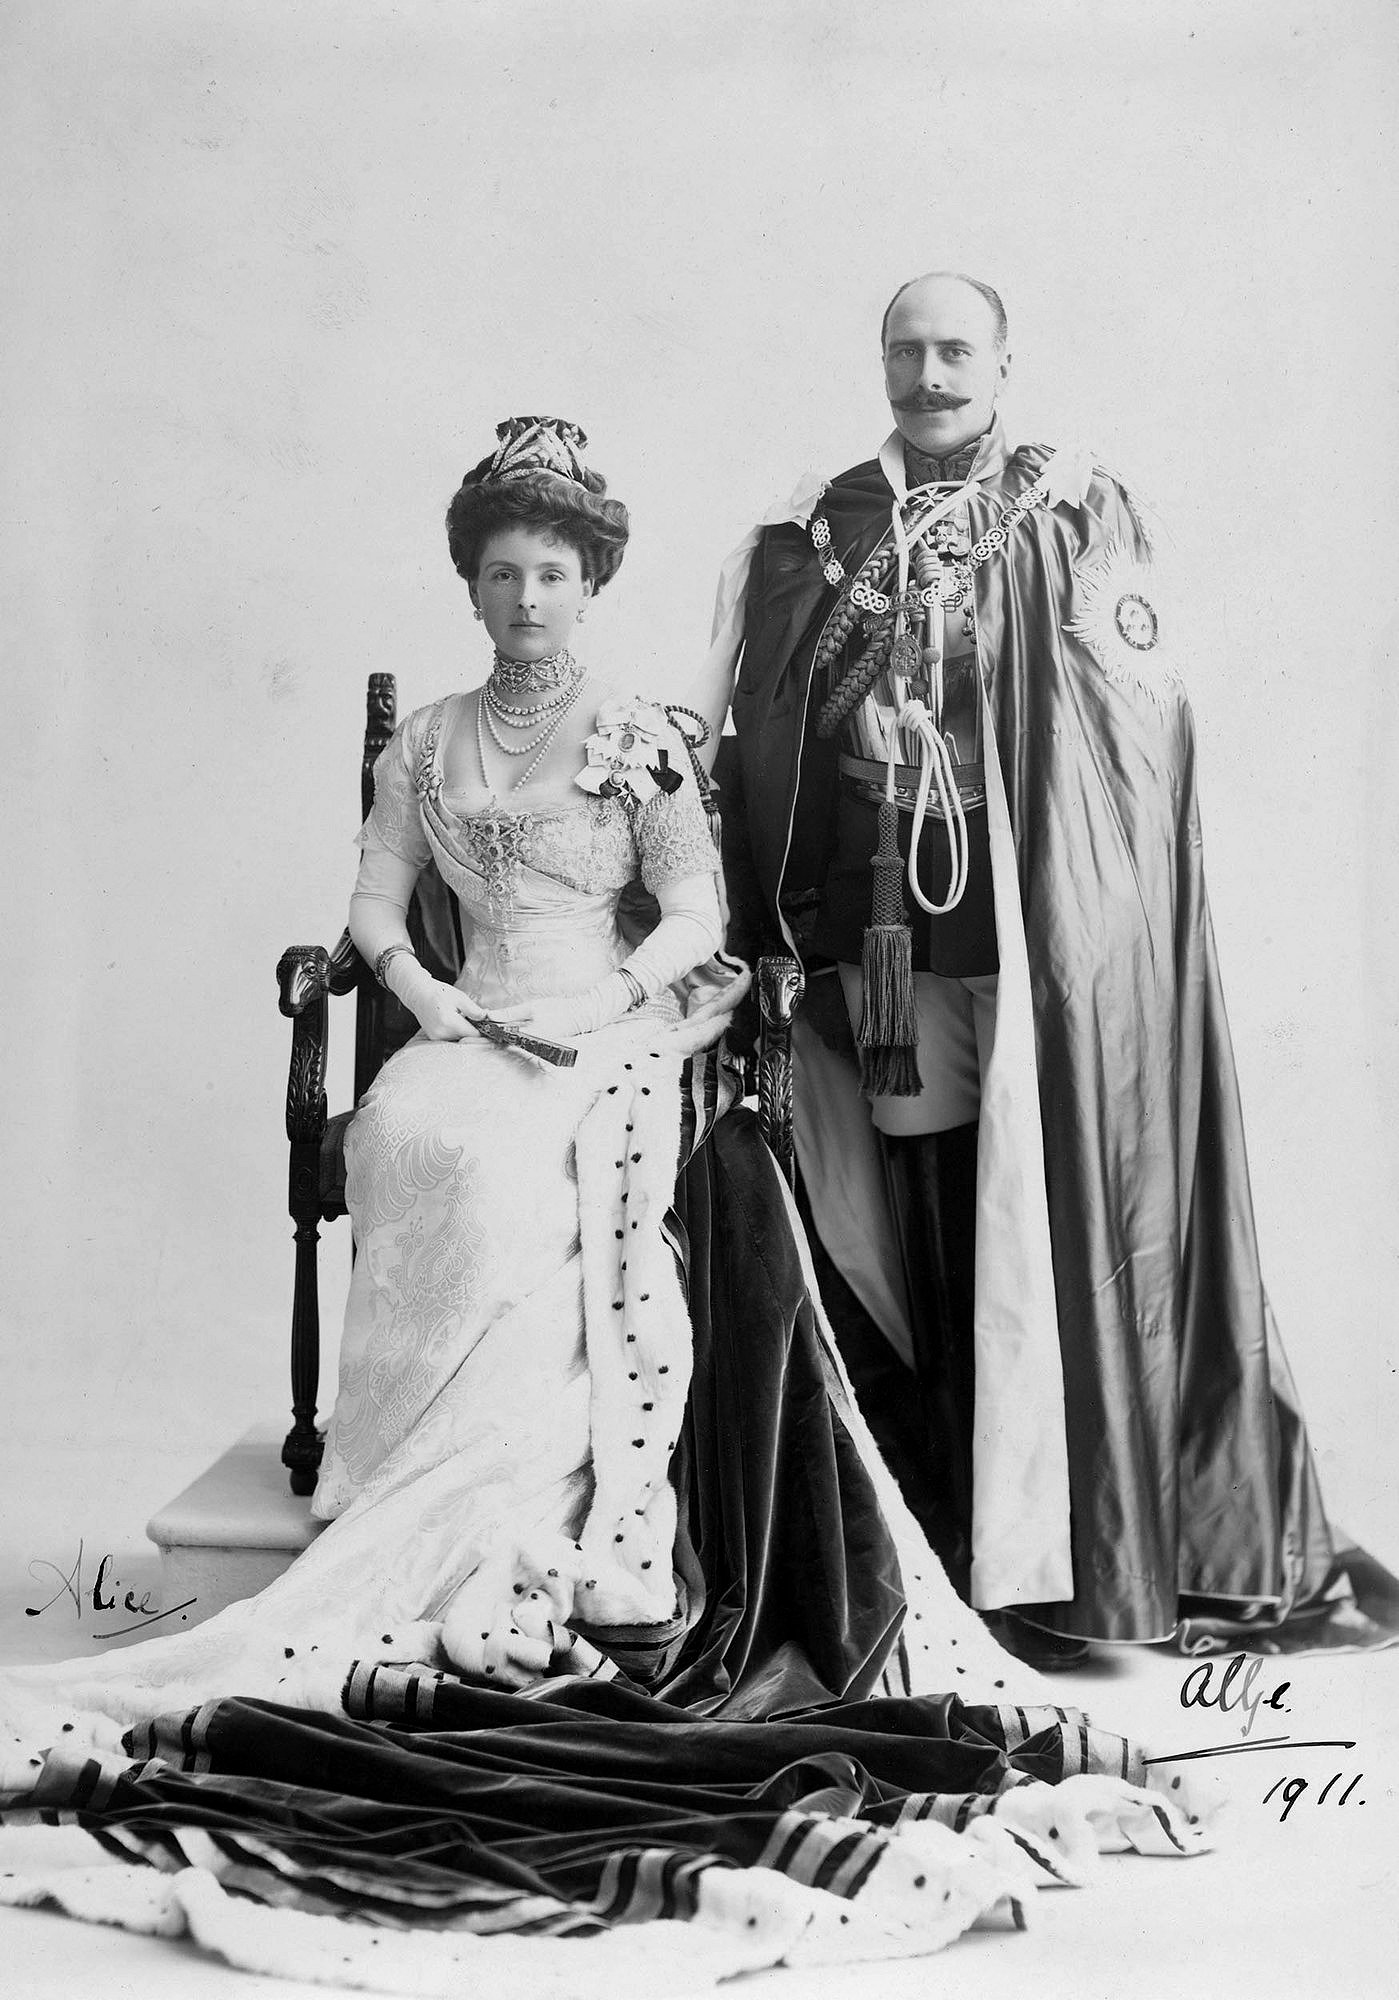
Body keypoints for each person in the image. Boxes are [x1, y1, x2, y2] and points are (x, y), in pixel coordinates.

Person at [0, 417, 1205, 1981]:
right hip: (467, 1023)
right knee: (413, 1135)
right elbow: (372, 900)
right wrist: (429, 1003)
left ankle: (527, 1496)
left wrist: (607, 999)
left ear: (591, 582)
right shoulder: (424, 742)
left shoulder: (638, 736)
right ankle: (386, 1470)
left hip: (599, 1026)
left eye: (552, 574)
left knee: (522, 1157)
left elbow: (696, 902)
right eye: (500, 575)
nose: (525, 601)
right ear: (473, 585)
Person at [696, 273, 1389, 1657]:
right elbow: (752, 720)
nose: (931, 374)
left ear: (1008, 362)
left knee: (1050, 1209)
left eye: (957, 349)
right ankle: (963, 1522)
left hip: (1029, 945)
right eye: (907, 350)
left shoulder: (1072, 507)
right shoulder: (815, 527)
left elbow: (1137, 733)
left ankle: (1079, 1555)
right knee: (923, 1211)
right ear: (879, 363)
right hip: (887, 946)